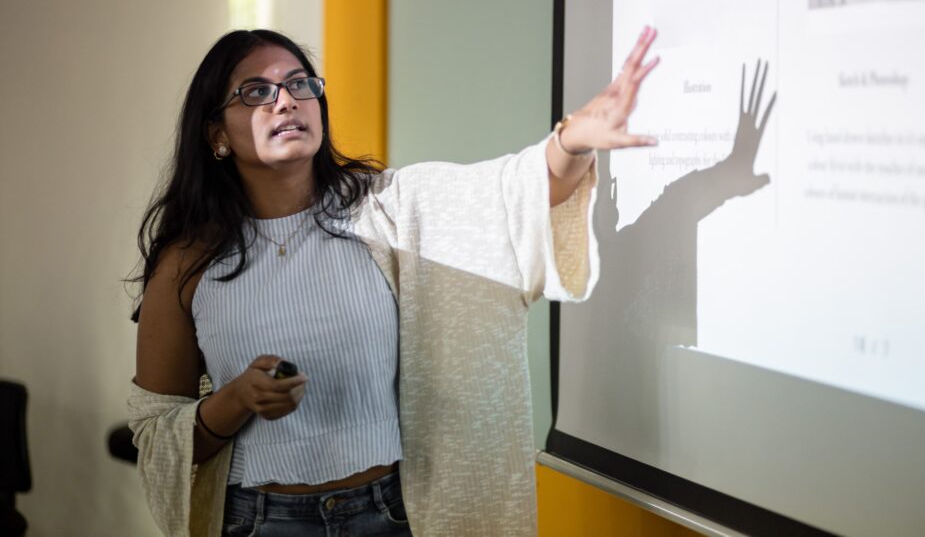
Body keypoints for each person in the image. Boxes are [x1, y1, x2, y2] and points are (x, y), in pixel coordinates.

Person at [128, 26, 661, 536]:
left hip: (389, 515)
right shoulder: (188, 263)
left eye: (299, 84)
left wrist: (573, 140)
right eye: (256, 91)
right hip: (259, 521)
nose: (286, 100)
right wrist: (238, 398)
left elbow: (511, 193)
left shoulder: (389, 209)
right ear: (217, 134)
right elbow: (157, 436)